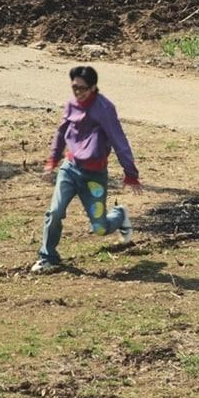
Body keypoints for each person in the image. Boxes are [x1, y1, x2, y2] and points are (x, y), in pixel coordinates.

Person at [31, 66, 142, 273]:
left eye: (82, 89)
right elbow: (61, 132)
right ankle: (48, 257)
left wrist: (131, 174)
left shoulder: (105, 109)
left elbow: (119, 141)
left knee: (99, 227)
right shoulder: (71, 105)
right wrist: (52, 161)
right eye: (75, 88)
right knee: (54, 212)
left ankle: (120, 215)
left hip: (94, 177)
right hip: (70, 170)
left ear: (93, 87)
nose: (78, 93)